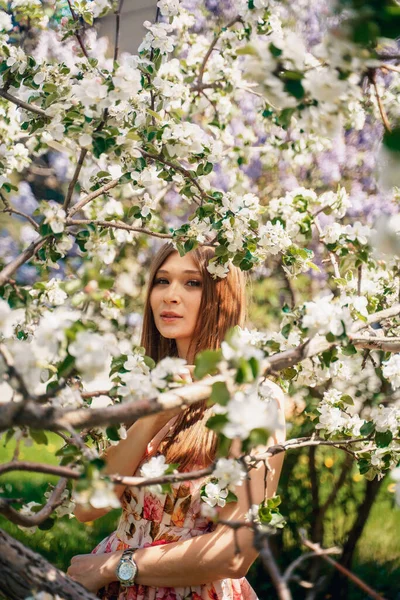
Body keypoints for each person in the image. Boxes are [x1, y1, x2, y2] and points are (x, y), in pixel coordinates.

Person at [67, 242, 286, 599]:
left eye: (192, 283)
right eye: (162, 281)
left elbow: (235, 552)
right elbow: (87, 507)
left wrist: (116, 565)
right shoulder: (139, 385)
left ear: (223, 295)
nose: (170, 295)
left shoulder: (255, 399)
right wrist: (151, 417)